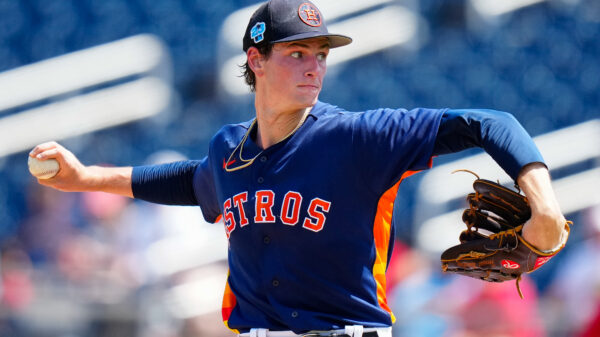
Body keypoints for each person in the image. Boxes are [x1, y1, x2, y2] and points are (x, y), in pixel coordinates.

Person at [29, 0, 569, 336]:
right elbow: (189, 182)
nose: (314, 67)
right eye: (297, 53)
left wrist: (543, 203)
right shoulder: (228, 151)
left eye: (320, 54)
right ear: (255, 62)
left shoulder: (360, 137)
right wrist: (84, 178)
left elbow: (489, 122)